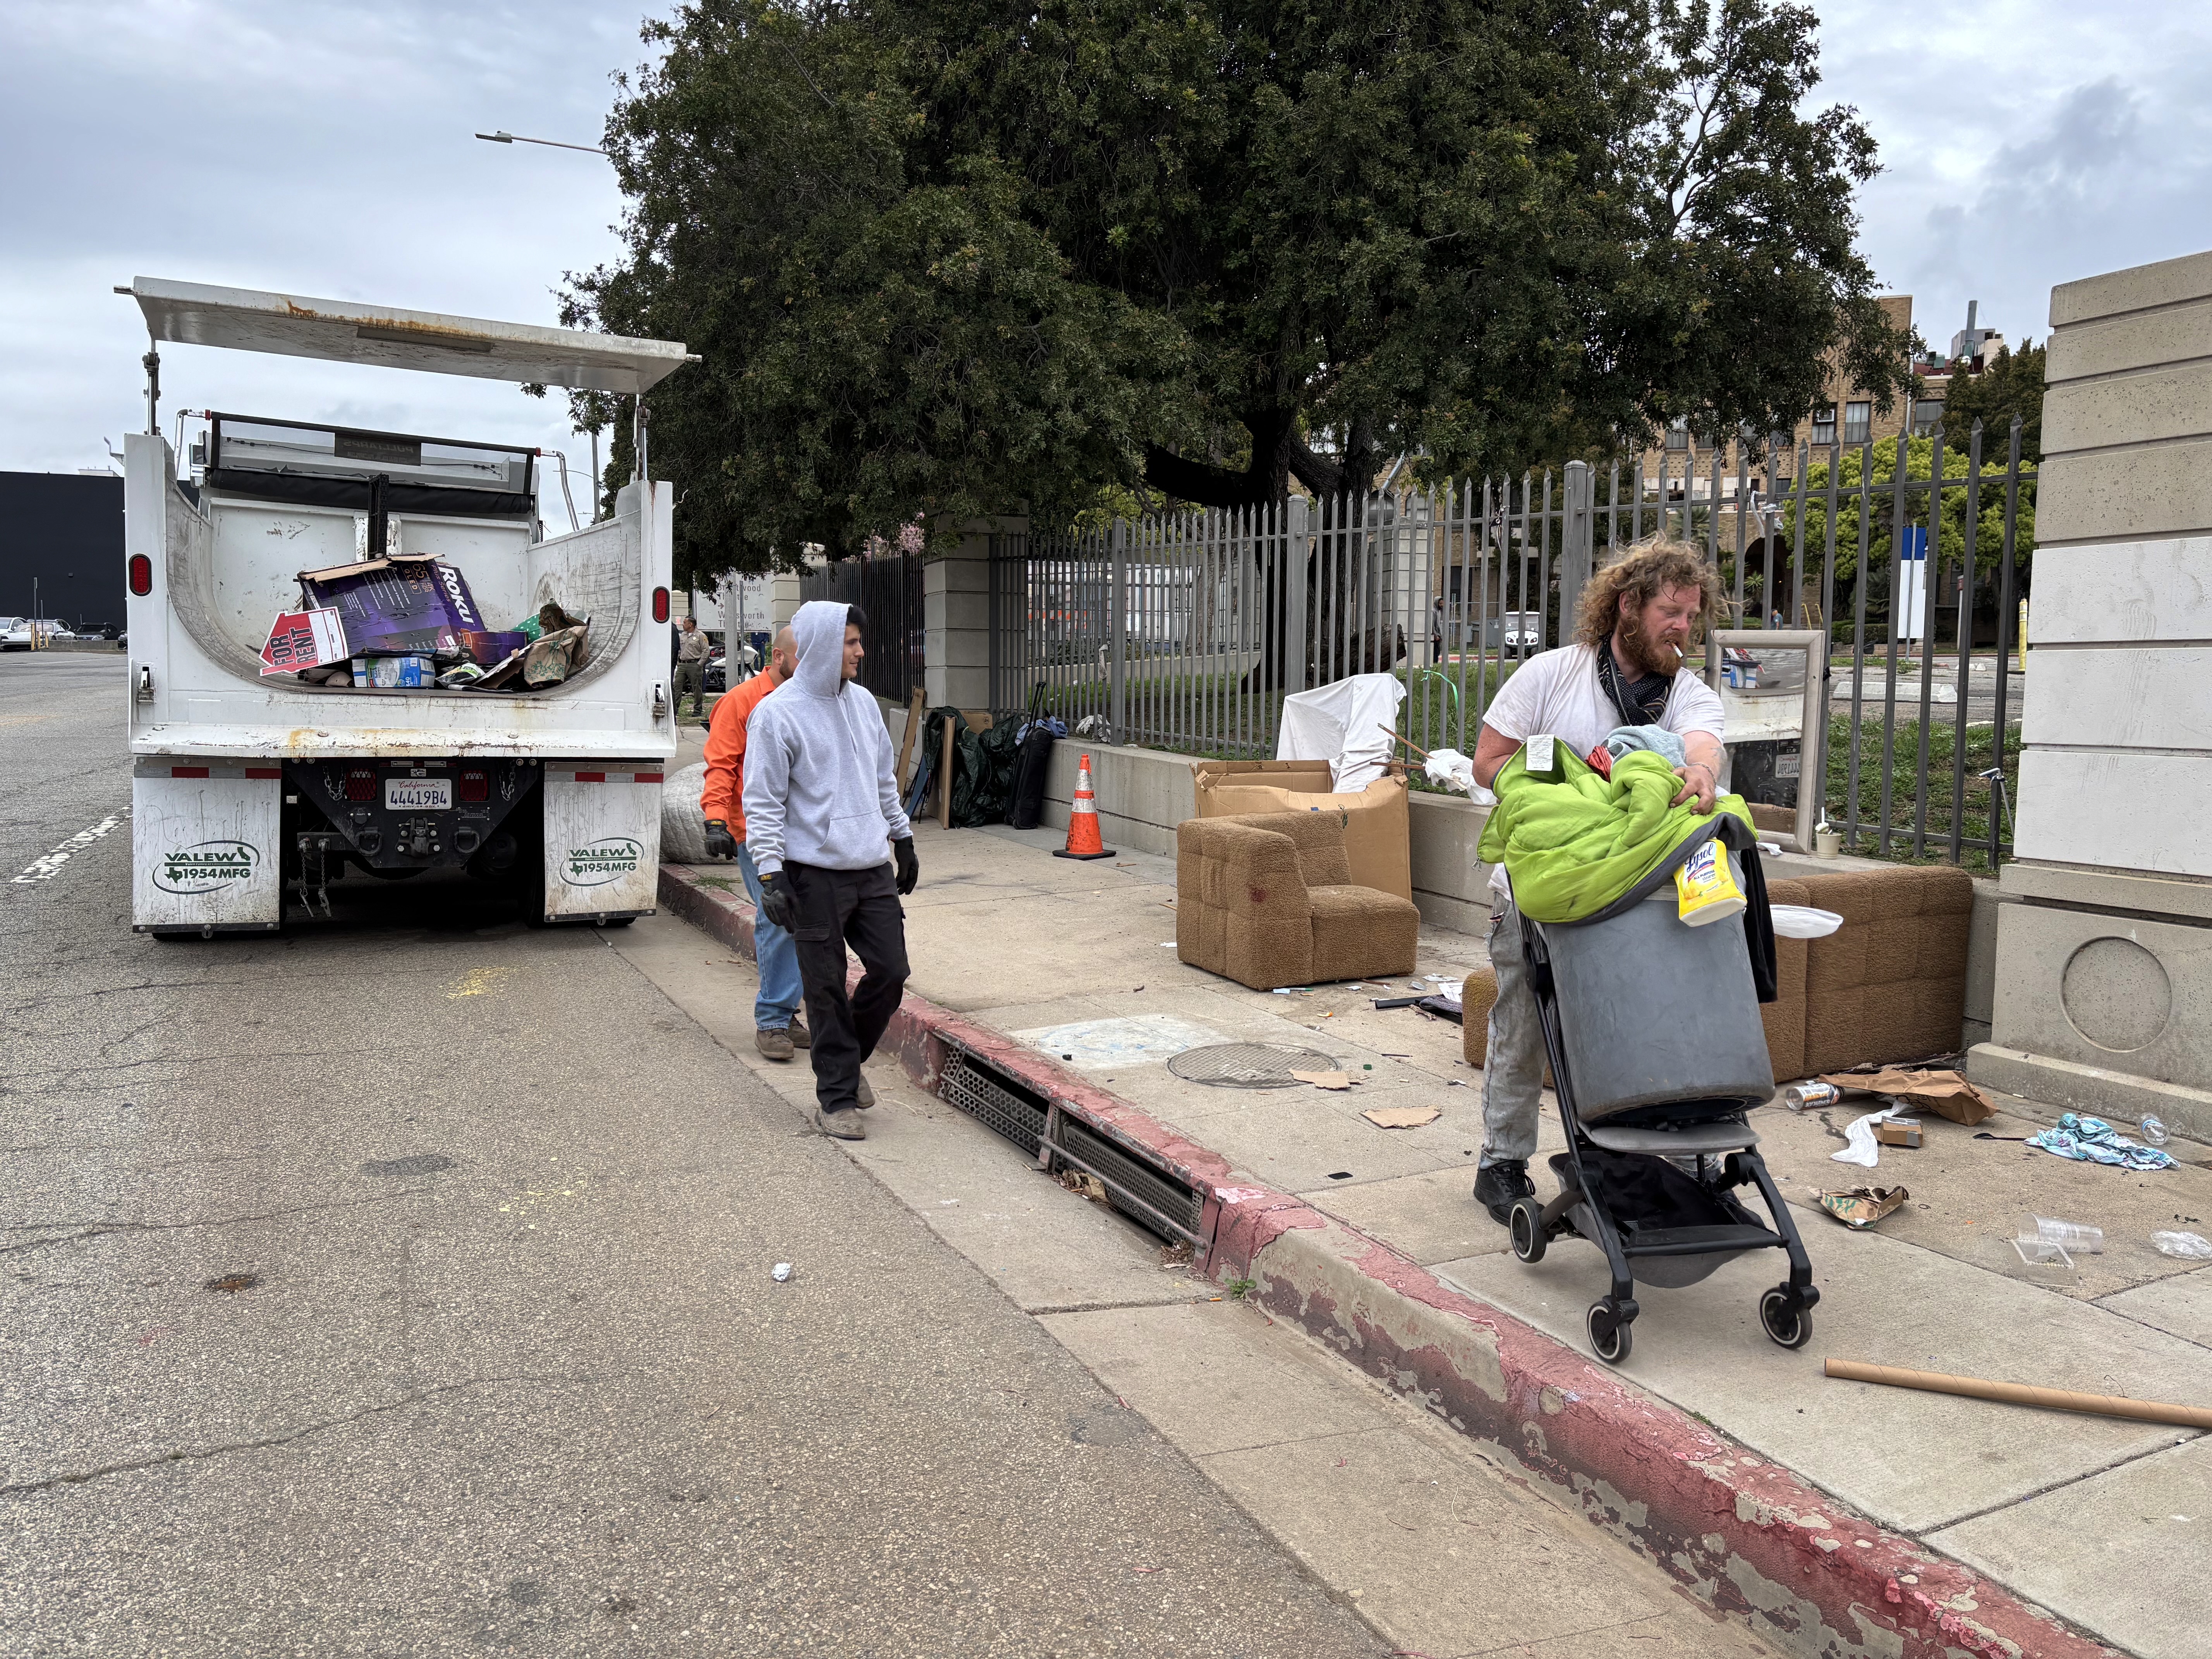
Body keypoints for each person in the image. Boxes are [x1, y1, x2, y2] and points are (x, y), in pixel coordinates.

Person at [1467, 536, 1728, 1223]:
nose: (1682, 628)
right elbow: (1488, 761)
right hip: (1537, 887)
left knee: (1643, 1027)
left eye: (1691, 616)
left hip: (1639, 900)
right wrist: (1567, 790)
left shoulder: (1686, 693)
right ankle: (1500, 1161)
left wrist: (1699, 772)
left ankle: (1639, 1158)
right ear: (1626, 605)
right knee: (1522, 1020)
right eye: (1670, 611)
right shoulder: (1552, 675)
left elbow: (1703, 746)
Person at [743, 601, 919, 1140]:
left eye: (861, 641)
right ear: (820, 645)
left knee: (891, 972)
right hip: (811, 873)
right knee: (823, 988)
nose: (861, 652)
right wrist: (770, 874)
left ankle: (846, 1061)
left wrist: (903, 836)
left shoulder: (864, 705)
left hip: (869, 865)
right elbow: (763, 801)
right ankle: (837, 1098)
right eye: (851, 643)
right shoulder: (777, 714)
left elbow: (884, 778)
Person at [702, 625, 807, 1060]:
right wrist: (715, 819)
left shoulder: (809, 702)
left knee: (802, 922)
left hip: (805, 835)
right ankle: (773, 1021)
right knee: (778, 920)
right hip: (757, 833)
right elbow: (721, 763)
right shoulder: (742, 701)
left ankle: (786, 1009)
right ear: (779, 657)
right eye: (804, 656)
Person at [674, 615, 711, 719]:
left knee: (696, 688)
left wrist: (700, 664)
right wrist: (679, 660)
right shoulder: (683, 635)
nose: (683, 624)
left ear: (691, 624)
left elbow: (706, 651)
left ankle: (698, 710)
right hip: (683, 665)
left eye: (685, 622)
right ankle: (675, 710)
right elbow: (680, 649)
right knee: (677, 687)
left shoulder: (700, 636)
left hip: (694, 665)